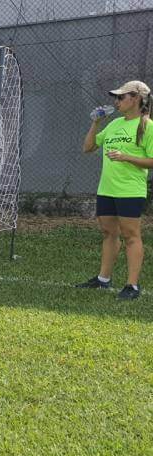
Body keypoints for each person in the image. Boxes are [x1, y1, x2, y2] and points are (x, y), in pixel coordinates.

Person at [79, 80, 153, 300]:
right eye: (116, 97)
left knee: (131, 236)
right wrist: (96, 123)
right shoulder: (113, 124)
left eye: (121, 97)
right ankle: (103, 280)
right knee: (108, 233)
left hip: (130, 190)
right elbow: (88, 148)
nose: (116, 101)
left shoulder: (147, 126)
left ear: (137, 99)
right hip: (107, 189)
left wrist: (126, 157)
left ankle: (132, 286)